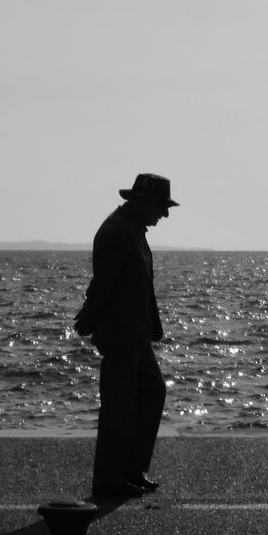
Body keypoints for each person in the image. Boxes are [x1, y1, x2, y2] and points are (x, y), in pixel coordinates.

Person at [74, 173, 178, 498]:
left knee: (152, 391)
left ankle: (132, 469)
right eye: (161, 207)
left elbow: (141, 285)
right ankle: (109, 477)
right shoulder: (118, 232)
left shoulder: (133, 229)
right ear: (143, 202)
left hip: (136, 333)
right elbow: (104, 283)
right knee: (118, 406)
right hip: (121, 334)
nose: (165, 214)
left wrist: (153, 327)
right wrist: (88, 320)